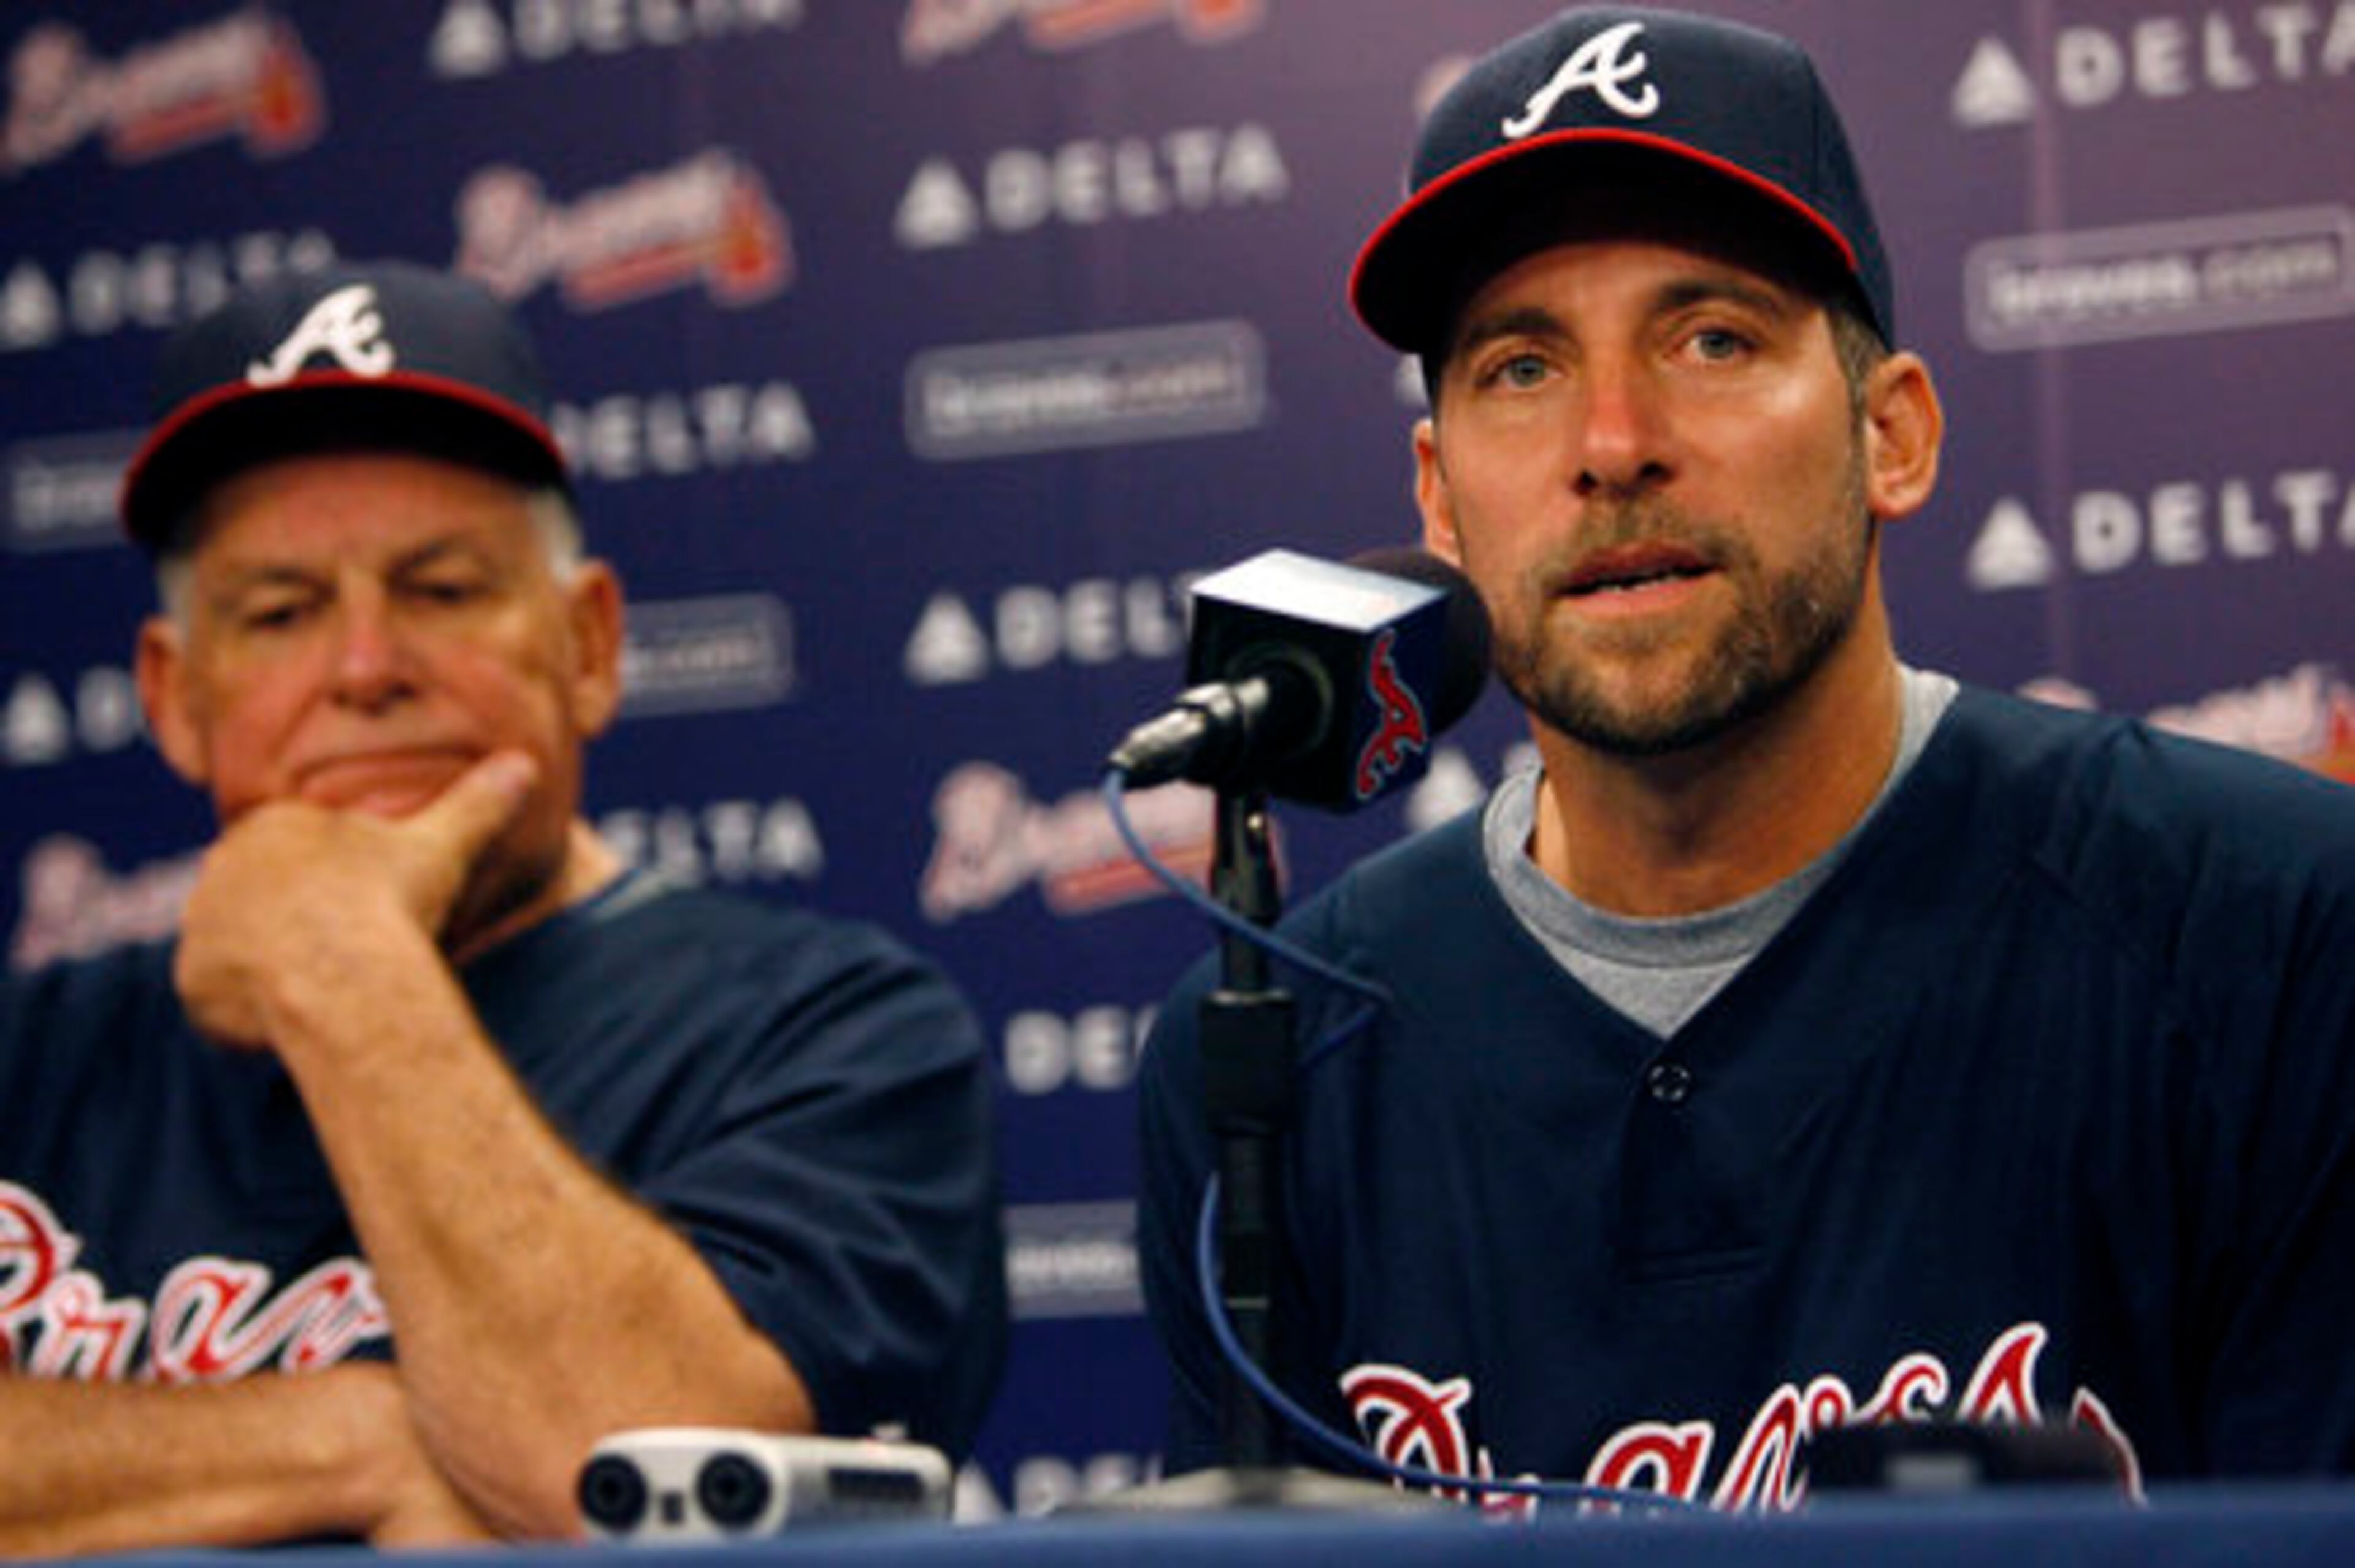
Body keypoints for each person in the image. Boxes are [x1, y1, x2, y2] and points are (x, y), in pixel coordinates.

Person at [1138, 6, 2355, 1510]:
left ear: (1891, 436)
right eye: (1520, 367)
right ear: (1440, 499)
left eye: (1712, 339)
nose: (1613, 440)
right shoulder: (1263, 1055)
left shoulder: (2272, 927)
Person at [0, 260, 1006, 1552]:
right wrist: (354, 1439)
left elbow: (623, 1483)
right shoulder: (34, 1053)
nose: (366, 668)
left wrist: (343, 965)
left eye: (442, 588)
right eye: (282, 611)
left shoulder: (833, 1031)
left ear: (588, 646)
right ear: (174, 698)